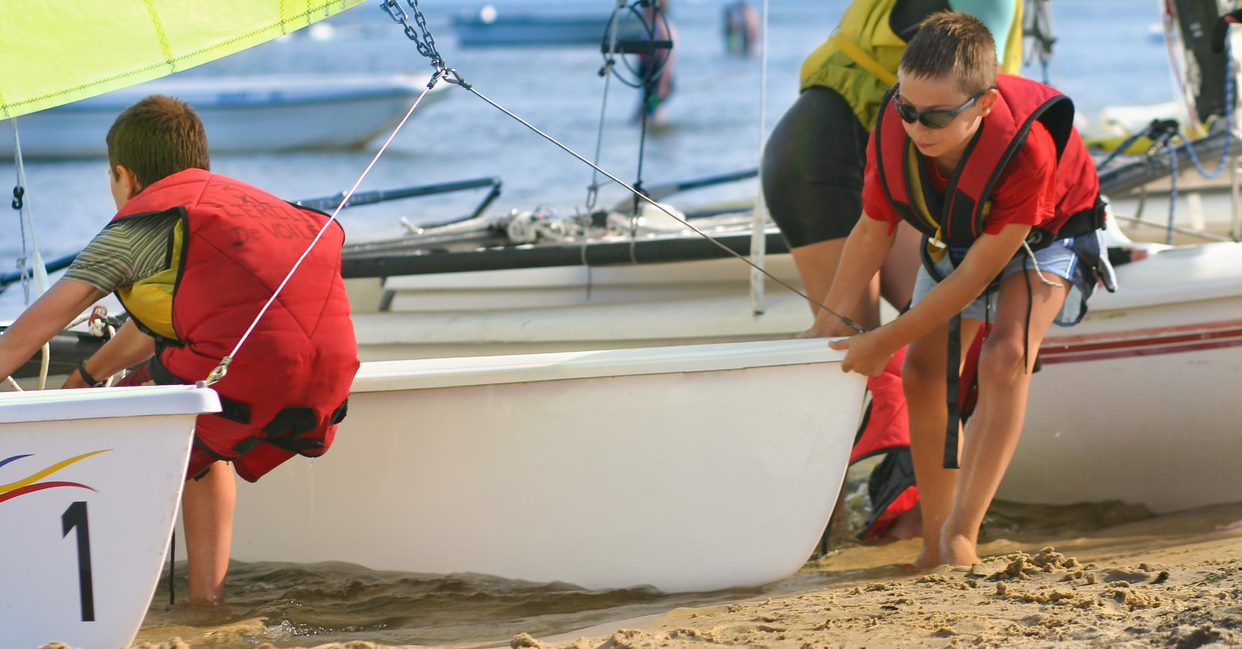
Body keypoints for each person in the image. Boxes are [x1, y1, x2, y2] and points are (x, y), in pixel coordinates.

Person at [0, 95, 359, 604]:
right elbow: (169, 324)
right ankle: (205, 602)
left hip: (247, 375)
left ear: (124, 177)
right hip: (329, 380)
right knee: (199, 433)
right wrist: (87, 375)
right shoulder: (244, 206)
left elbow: (27, 333)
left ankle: (92, 595)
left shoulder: (139, 225)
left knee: (144, 414)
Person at [813, 11, 1114, 569]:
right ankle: (933, 538)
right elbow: (873, 227)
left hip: (1048, 234)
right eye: (906, 109)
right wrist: (829, 317)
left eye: (936, 116)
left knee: (1005, 358)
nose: (916, 127)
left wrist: (881, 339)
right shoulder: (897, 128)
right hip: (958, 232)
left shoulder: (1027, 151)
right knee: (923, 371)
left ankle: (962, 534)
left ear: (984, 105)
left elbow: (977, 278)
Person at [765, 0, 1024, 540]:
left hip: (880, 148)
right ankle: (820, 529)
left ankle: (919, 512)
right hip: (822, 156)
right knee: (848, 347)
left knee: (941, 327)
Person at [636, 0, 676, 124]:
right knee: (642, 116)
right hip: (649, 79)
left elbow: (668, 59)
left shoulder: (663, 28)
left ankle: (660, 139)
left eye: (646, 8)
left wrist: (663, 84)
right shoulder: (651, 27)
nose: (643, 11)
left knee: (652, 115)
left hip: (658, 80)